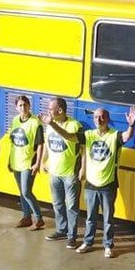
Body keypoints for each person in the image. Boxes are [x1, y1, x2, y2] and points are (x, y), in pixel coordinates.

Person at [43, 105, 135, 258]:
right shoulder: (88, 135)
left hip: (108, 185)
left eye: (101, 117)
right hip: (91, 184)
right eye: (95, 117)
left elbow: (127, 136)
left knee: (108, 218)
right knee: (90, 218)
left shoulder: (115, 136)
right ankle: (88, 242)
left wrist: (131, 125)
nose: (98, 120)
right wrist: (52, 123)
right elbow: (68, 136)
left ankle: (108, 245)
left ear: (107, 119)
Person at [40, 97, 84, 248]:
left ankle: (72, 236)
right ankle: (61, 230)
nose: (48, 111)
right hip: (54, 172)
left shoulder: (74, 125)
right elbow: (47, 144)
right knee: (57, 204)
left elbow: (68, 137)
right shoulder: (49, 125)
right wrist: (42, 161)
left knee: (71, 206)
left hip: (70, 174)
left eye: (50, 109)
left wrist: (51, 123)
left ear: (60, 110)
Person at [7, 95, 45, 230]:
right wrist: (9, 160)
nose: (23, 108)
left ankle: (39, 218)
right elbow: (13, 142)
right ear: (16, 107)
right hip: (16, 161)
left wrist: (38, 163)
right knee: (21, 192)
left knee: (26, 191)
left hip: (29, 162)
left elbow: (40, 144)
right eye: (20, 105)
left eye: (25, 105)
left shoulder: (36, 122)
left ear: (29, 106)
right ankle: (26, 217)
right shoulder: (15, 120)